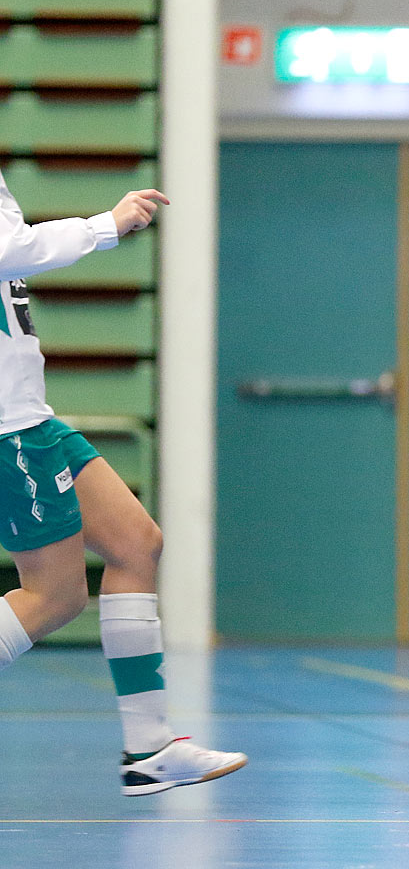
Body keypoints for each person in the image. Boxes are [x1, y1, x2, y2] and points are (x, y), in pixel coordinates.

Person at [0, 174, 246, 795]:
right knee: (55, 597)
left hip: (35, 417)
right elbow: (9, 250)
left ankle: (150, 747)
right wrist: (106, 226)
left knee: (137, 544)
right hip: (10, 430)